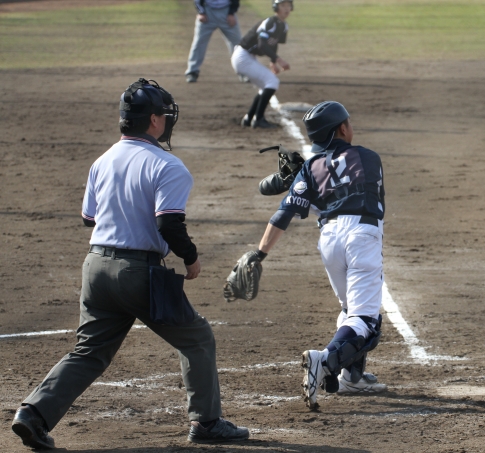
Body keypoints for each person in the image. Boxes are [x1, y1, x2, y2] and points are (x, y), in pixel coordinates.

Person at [10, 78, 249, 450]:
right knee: (197, 338)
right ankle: (206, 422)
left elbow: (89, 218)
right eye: (164, 115)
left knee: (90, 351)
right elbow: (168, 223)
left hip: (95, 269)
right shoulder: (167, 165)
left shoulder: (102, 160)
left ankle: (33, 414)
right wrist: (191, 257)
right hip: (138, 273)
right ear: (153, 120)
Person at [247, 101, 387, 410]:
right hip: (361, 236)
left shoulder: (311, 169)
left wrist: (259, 254)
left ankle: (352, 377)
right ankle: (324, 361)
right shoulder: (369, 157)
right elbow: (352, 187)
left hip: (329, 238)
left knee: (351, 310)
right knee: (367, 322)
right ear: (342, 129)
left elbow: (284, 214)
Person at [231, 0, 292, 129]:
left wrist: (273, 62)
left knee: (266, 85)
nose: (286, 9)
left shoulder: (283, 25)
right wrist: (279, 60)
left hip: (248, 57)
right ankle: (259, 119)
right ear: (276, 8)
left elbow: (273, 44)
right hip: (242, 56)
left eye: (288, 5)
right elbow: (262, 44)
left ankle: (249, 118)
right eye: (283, 5)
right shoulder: (270, 22)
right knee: (272, 81)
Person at [185, 0, 242, 83]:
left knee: (238, 44)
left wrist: (231, 12)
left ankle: (243, 72)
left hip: (226, 13)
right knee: (199, 43)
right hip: (207, 12)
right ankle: (192, 71)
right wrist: (201, 12)